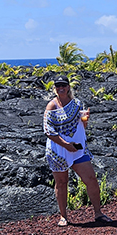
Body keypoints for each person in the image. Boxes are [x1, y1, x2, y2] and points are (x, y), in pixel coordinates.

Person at [43, 76, 109, 226]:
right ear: (54, 88)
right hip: (58, 151)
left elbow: (80, 126)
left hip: (78, 149)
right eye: (57, 85)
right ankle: (63, 216)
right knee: (61, 183)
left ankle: (98, 213)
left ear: (68, 87)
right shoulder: (51, 106)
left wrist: (86, 119)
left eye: (63, 85)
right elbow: (48, 130)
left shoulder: (77, 104)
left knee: (91, 179)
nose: (60, 88)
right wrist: (66, 145)